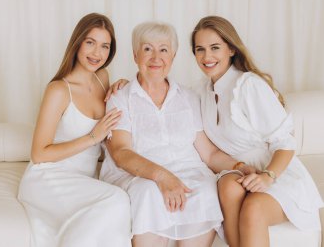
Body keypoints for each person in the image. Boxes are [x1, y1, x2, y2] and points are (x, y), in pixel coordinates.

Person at [100, 20, 243, 247]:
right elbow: (121, 152)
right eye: (147, 49)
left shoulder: (189, 97)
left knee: (205, 189)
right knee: (148, 193)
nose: (156, 58)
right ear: (135, 55)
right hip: (140, 176)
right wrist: (163, 177)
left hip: (188, 173)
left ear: (173, 56)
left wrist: (240, 167)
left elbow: (208, 154)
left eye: (163, 50)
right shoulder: (120, 97)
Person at [191, 15, 324, 247]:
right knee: (227, 186)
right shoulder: (201, 91)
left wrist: (267, 177)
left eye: (215, 48)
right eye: (199, 49)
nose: (206, 57)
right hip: (241, 172)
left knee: (253, 209)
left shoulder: (248, 85)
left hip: (277, 172)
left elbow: (285, 143)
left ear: (231, 49)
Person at [18, 13, 131, 247]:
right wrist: (92, 137)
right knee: (116, 199)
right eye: (90, 42)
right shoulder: (59, 90)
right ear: (77, 43)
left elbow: (111, 124)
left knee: (109, 210)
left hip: (83, 180)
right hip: (48, 178)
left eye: (105, 46)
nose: (97, 53)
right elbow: (39, 154)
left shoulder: (103, 78)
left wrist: (125, 88)